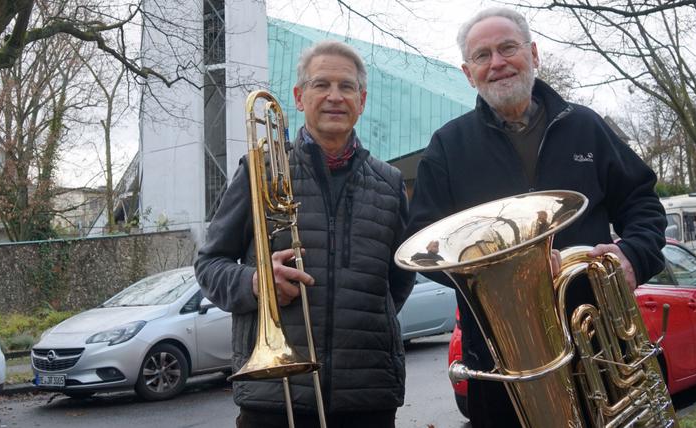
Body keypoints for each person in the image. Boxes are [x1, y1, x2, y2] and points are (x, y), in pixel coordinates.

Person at [405, 7, 667, 427]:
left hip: (598, 351)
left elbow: (643, 203)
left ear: (534, 54)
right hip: (499, 364)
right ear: (468, 73)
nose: (497, 63)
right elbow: (425, 240)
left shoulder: (587, 127)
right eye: (482, 55)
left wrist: (633, 256)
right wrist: (502, 274)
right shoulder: (448, 146)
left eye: (508, 48)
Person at [195, 40, 415, 428]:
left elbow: (398, 280)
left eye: (346, 87)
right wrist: (256, 282)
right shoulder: (258, 170)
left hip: (367, 397)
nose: (334, 97)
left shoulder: (390, 182)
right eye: (321, 85)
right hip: (273, 395)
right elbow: (209, 263)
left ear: (361, 101)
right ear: (299, 96)